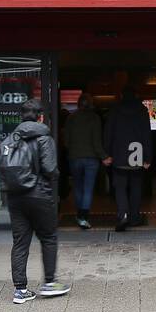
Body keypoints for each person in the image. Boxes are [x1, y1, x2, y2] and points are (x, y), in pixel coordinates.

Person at [1, 100, 69, 304]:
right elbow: (49, 169)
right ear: (40, 117)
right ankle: (49, 283)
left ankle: (20, 290)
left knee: (20, 242)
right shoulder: (44, 138)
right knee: (48, 237)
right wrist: (57, 175)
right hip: (39, 195)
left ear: (21, 117)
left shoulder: (9, 139)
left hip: (15, 197)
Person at [103, 85, 152, 232]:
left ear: (122, 96)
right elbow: (146, 135)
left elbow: (108, 133)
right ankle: (135, 217)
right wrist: (148, 158)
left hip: (119, 154)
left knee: (120, 187)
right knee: (136, 187)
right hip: (137, 154)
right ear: (136, 95)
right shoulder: (142, 111)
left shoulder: (114, 110)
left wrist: (106, 154)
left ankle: (123, 214)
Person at [67, 91, 107, 229]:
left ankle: (79, 215)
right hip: (91, 158)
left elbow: (66, 140)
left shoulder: (71, 118)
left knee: (77, 187)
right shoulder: (95, 118)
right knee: (88, 188)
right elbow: (97, 142)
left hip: (74, 157)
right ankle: (83, 217)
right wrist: (104, 156)